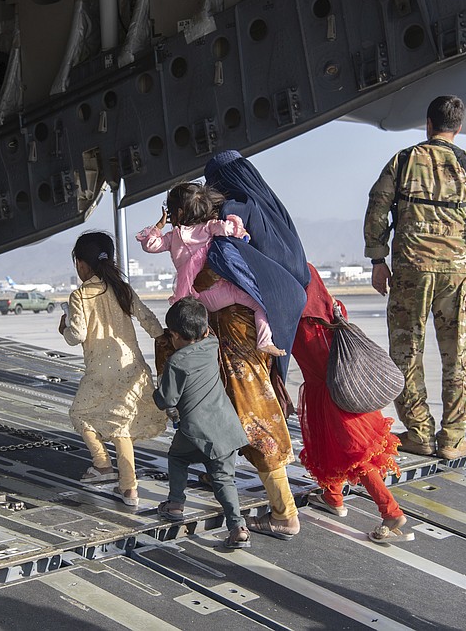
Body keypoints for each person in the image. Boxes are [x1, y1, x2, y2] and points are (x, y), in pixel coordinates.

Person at [154, 150, 308, 541]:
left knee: (251, 411)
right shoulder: (267, 209)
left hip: (235, 329)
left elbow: (224, 261)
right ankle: (215, 471)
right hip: (247, 322)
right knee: (231, 402)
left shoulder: (235, 210)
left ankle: (284, 513)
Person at [363, 94, 466, 460]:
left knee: (406, 354)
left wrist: (378, 259)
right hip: (455, 274)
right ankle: (452, 438)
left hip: (410, 271)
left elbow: (377, 206)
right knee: (458, 355)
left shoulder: (404, 160)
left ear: (428, 124)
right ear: (459, 127)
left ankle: (419, 433)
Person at [294, 267, 412, 543]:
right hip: (349, 392)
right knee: (334, 446)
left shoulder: (299, 324)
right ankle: (332, 497)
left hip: (331, 398)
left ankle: (390, 510)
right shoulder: (332, 309)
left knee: (355, 454)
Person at [58, 231, 167, 507]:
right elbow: (147, 318)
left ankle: (103, 465)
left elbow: (77, 335)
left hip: (100, 372)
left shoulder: (80, 296)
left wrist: (64, 328)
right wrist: (162, 338)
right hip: (132, 367)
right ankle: (128, 488)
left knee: (80, 414)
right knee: (121, 427)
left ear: (81, 264)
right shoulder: (122, 288)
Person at [136, 182, 285, 355]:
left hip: (197, 299)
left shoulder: (172, 237)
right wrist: (241, 232)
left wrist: (159, 226)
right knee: (260, 306)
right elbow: (228, 228)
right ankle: (264, 341)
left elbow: (150, 245)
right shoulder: (209, 227)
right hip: (224, 292)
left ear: (179, 213)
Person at [154, 297, 251, 549]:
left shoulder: (176, 362)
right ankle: (238, 526)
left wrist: (156, 387)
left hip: (195, 431)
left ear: (174, 334)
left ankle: (175, 504)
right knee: (223, 479)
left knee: (177, 458)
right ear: (206, 330)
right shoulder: (212, 343)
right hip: (226, 427)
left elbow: (166, 399)